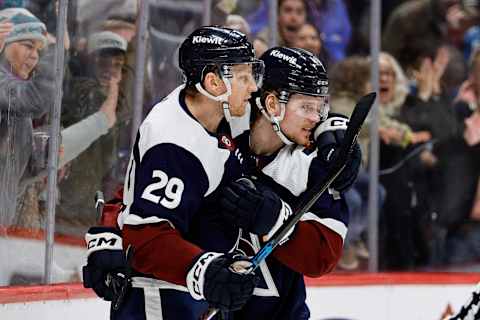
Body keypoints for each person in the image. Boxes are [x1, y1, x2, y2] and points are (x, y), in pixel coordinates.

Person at [84, 26, 264, 319]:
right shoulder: (174, 143)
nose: (253, 87)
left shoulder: (211, 110)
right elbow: (146, 237)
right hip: (159, 296)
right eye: (244, 77)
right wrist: (204, 271)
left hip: (188, 291)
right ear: (214, 82)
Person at [214, 46, 360, 319]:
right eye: (306, 107)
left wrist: (276, 221)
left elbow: (323, 256)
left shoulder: (312, 163)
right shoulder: (216, 136)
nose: (317, 118)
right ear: (271, 104)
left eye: (320, 107)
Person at [0, 9, 53, 227]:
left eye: (39, 50)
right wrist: (56, 54)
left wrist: (40, 157)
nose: (35, 56)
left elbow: (13, 176)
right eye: (28, 46)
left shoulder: (14, 91)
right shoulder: (8, 88)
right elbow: (35, 99)